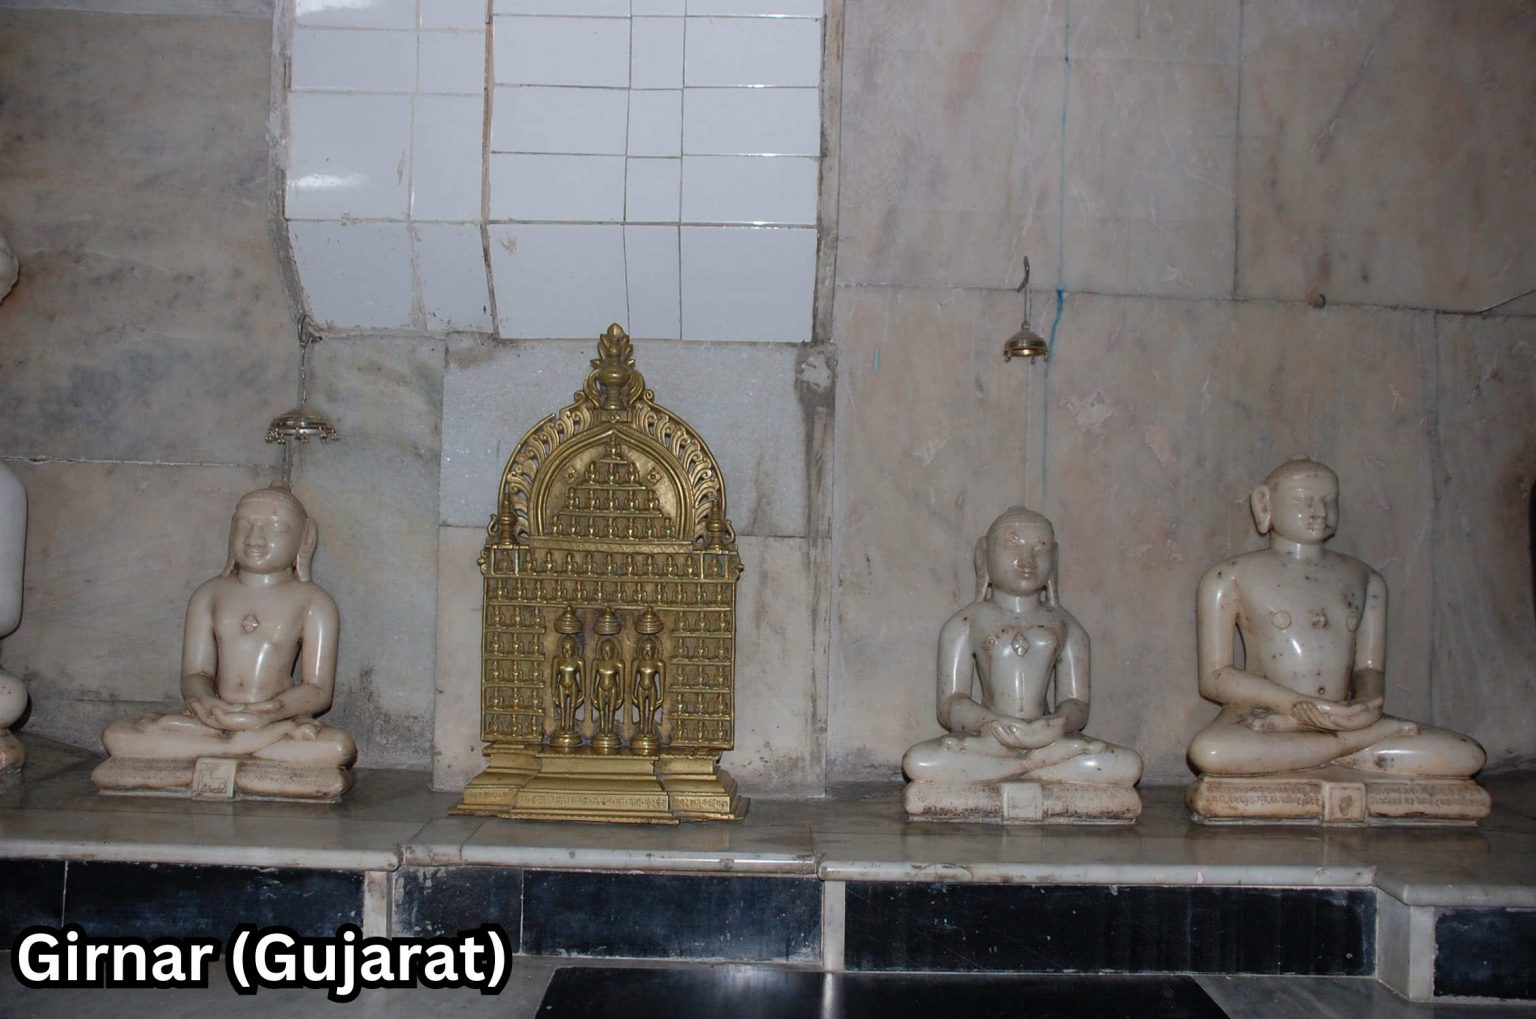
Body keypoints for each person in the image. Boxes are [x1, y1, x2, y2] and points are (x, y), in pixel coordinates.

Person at [1188, 458, 1484, 779]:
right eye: (1303, 501)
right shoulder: (1229, 578)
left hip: (1343, 716)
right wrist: (1297, 706)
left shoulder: (1366, 579)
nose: (1319, 511)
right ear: (1264, 503)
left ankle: (1333, 745)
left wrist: (1366, 703)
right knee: (1211, 752)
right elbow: (1216, 677)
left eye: (1330, 501)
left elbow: (1368, 668)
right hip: (1265, 717)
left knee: (1466, 754)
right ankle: (1353, 745)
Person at [98, 484, 354, 779]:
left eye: (275, 528)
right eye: (244, 525)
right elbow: (195, 673)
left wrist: (274, 710)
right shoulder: (209, 594)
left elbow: (318, 690)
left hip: (274, 719)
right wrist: (206, 703)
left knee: (338, 747)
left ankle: (221, 751)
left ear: (303, 539)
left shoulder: (314, 602)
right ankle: (235, 748)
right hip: (214, 719)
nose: (254, 539)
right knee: (117, 735)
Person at [902, 507, 1142, 804]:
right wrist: (991, 722)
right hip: (989, 740)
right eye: (1012, 545)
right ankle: (1032, 767)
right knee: (919, 761)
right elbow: (951, 703)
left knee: (1128, 764)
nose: (1027, 561)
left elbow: (1077, 703)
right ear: (984, 555)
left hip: (1049, 741)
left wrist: (1057, 724)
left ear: (1054, 558)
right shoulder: (965, 624)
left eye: (1040, 548)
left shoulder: (1067, 626)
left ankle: (1018, 768)